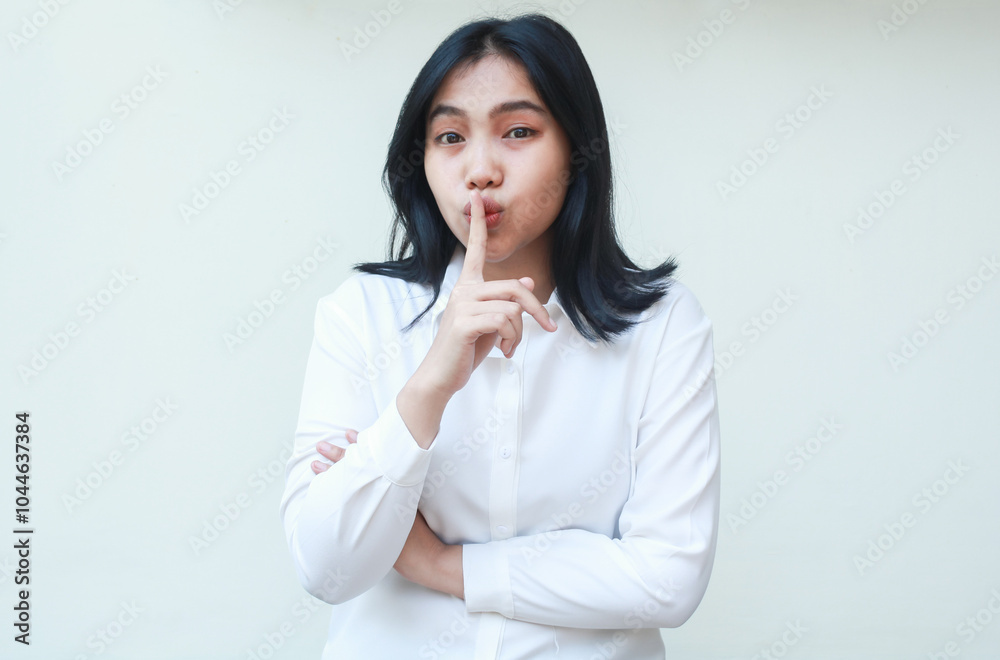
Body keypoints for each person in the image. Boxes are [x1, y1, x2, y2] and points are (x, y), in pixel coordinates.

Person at [279, 11, 721, 659]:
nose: (480, 170)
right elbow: (325, 567)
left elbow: (669, 578)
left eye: (518, 132)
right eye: (450, 137)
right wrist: (431, 384)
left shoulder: (663, 326)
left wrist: (437, 564)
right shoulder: (361, 313)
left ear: (577, 148)